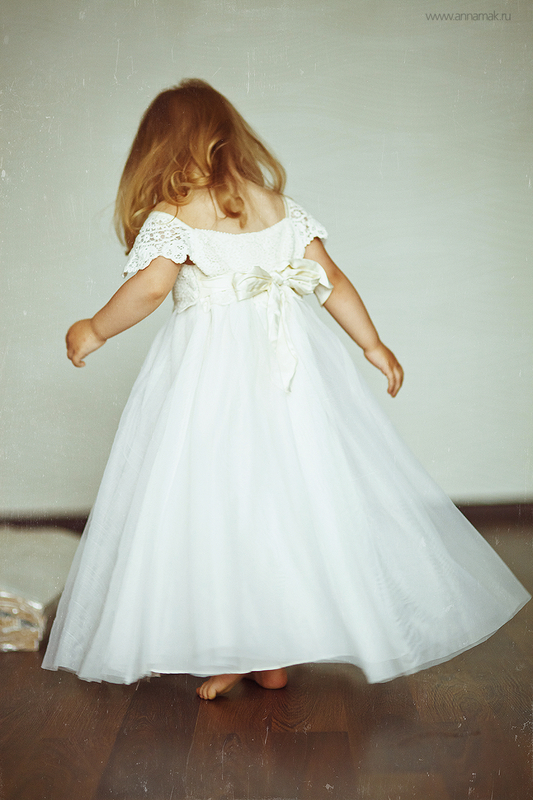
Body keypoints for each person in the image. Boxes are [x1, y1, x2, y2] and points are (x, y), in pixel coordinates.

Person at [42, 79, 530, 700]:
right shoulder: (277, 207)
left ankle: (248, 647)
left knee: (221, 502)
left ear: (159, 152)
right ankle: (268, 649)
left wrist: (94, 329)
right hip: (289, 381)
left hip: (210, 384)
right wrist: (371, 344)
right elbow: (331, 279)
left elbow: (150, 288)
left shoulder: (175, 214)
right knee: (281, 499)